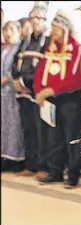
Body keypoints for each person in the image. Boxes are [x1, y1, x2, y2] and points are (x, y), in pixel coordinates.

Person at [33, 9, 81, 189]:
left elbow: (76, 80)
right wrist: (39, 91)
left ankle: (72, 175)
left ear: (65, 29)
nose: (52, 32)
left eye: (55, 28)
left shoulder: (77, 49)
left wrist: (50, 90)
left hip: (69, 100)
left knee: (71, 138)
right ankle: (55, 172)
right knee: (53, 138)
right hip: (50, 100)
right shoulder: (50, 48)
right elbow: (40, 71)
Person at [11, 6, 50, 180]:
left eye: (39, 18)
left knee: (40, 131)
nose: (35, 21)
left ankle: (43, 166)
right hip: (22, 92)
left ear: (44, 21)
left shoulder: (47, 42)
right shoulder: (25, 41)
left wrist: (26, 83)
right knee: (28, 129)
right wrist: (16, 81)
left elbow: (43, 68)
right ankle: (31, 165)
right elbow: (15, 61)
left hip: (37, 93)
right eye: (32, 17)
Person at [1, 21, 25, 172]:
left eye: (11, 29)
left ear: (18, 31)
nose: (8, 32)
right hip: (2, 95)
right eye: (5, 29)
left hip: (12, 92)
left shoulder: (19, 48)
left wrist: (7, 78)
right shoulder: (3, 48)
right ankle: (5, 156)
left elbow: (17, 69)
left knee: (14, 126)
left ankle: (16, 159)